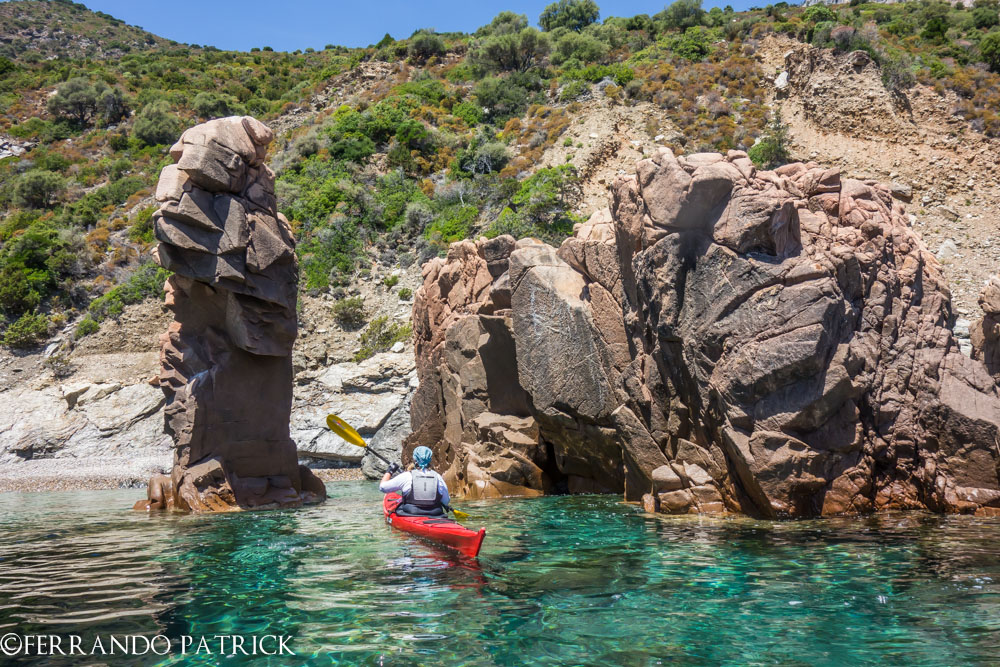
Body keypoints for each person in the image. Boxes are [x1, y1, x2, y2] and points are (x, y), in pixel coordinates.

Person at [379, 446, 450, 517]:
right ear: (430, 459)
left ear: (415, 459)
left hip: (412, 513)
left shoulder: (407, 476)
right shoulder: (438, 477)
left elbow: (382, 488)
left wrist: (390, 471)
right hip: (435, 513)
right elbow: (446, 501)